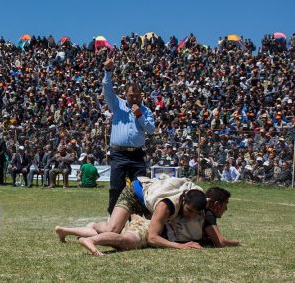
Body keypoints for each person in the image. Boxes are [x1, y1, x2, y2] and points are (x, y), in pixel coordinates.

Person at [56, 188, 207, 255]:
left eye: (195, 213)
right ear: (183, 201)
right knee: (126, 240)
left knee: (116, 231)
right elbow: (152, 238)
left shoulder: (196, 207)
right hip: (142, 217)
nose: (191, 216)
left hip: (142, 216)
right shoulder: (167, 205)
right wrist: (181, 246)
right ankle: (91, 240)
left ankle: (65, 230)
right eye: (189, 211)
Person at [102, 57, 155, 214]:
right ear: (126, 94)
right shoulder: (116, 105)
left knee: (139, 187)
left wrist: (139, 114)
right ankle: (113, 217)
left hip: (137, 155)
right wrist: (107, 71)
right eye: (132, 96)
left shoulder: (145, 111)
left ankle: (139, 216)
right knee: (116, 188)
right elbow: (107, 89)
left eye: (137, 96)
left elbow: (151, 130)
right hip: (118, 154)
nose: (134, 98)